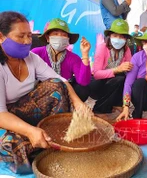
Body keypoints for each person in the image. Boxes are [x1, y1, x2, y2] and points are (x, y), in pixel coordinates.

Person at [0, 11, 84, 173]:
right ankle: (36, 141)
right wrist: (30, 131)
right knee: (14, 146)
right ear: (1, 37)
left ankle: (54, 135)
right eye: (21, 36)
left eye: (29, 36)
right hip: (5, 119)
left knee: (56, 86)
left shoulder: (32, 58)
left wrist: (77, 102)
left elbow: (61, 81)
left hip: (23, 111)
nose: (27, 41)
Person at [32, 18, 91, 102]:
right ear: (48, 37)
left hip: (66, 90)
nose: (59, 37)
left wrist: (85, 54)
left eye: (63, 35)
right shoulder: (36, 53)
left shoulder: (73, 58)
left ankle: (69, 107)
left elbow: (83, 82)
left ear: (68, 39)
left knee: (82, 89)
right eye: (55, 34)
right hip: (43, 91)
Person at [88, 19, 132, 116]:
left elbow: (129, 70)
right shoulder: (102, 48)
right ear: (110, 36)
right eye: (115, 36)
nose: (118, 39)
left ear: (125, 39)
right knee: (118, 77)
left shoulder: (126, 50)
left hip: (112, 83)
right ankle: (99, 109)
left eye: (121, 37)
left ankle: (117, 104)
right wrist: (117, 69)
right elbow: (96, 74)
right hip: (97, 84)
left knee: (123, 78)